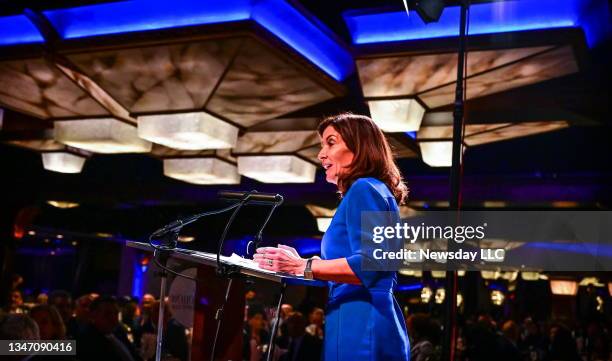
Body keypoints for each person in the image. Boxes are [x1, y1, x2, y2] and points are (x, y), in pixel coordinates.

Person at [254, 113, 410, 360]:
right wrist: (303, 264)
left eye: (331, 142)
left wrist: (305, 266)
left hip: (362, 321)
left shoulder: (363, 188)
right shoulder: (371, 190)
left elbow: (373, 264)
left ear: (359, 147)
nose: (321, 154)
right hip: (358, 315)